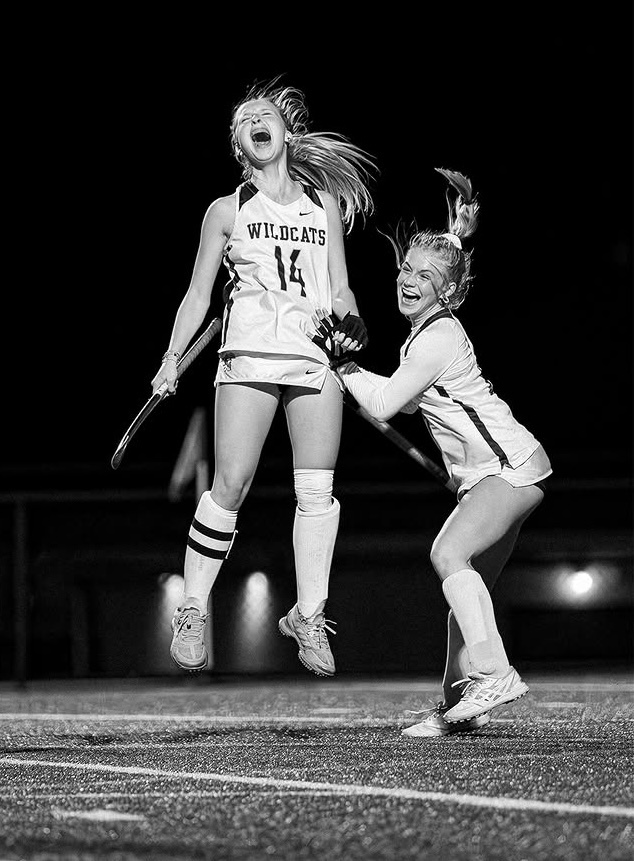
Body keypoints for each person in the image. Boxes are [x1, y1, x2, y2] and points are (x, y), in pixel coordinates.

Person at [151, 77, 376, 677]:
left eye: (265, 113)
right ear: (239, 146)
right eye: (244, 118)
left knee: (316, 492)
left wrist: (351, 318)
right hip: (249, 353)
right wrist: (171, 358)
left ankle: (309, 612)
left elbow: (340, 283)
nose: (256, 120)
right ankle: (194, 607)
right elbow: (198, 294)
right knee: (231, 483)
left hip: (312, 356)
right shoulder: (227, 210)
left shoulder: (321, 203)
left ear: (285, 132)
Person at [324, 167, 552, 735]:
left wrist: (342, 367)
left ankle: (494, 672)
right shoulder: (426, 333)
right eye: (405, 268)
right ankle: (455, 709)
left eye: (424, 276)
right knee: (463, 588)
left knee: (447, 554)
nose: (409, 279)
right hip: (497, 476)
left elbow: (381, 405)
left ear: (446, 290)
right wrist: (455, 234)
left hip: (510, 470)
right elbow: (400, 403)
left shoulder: (438, 338)